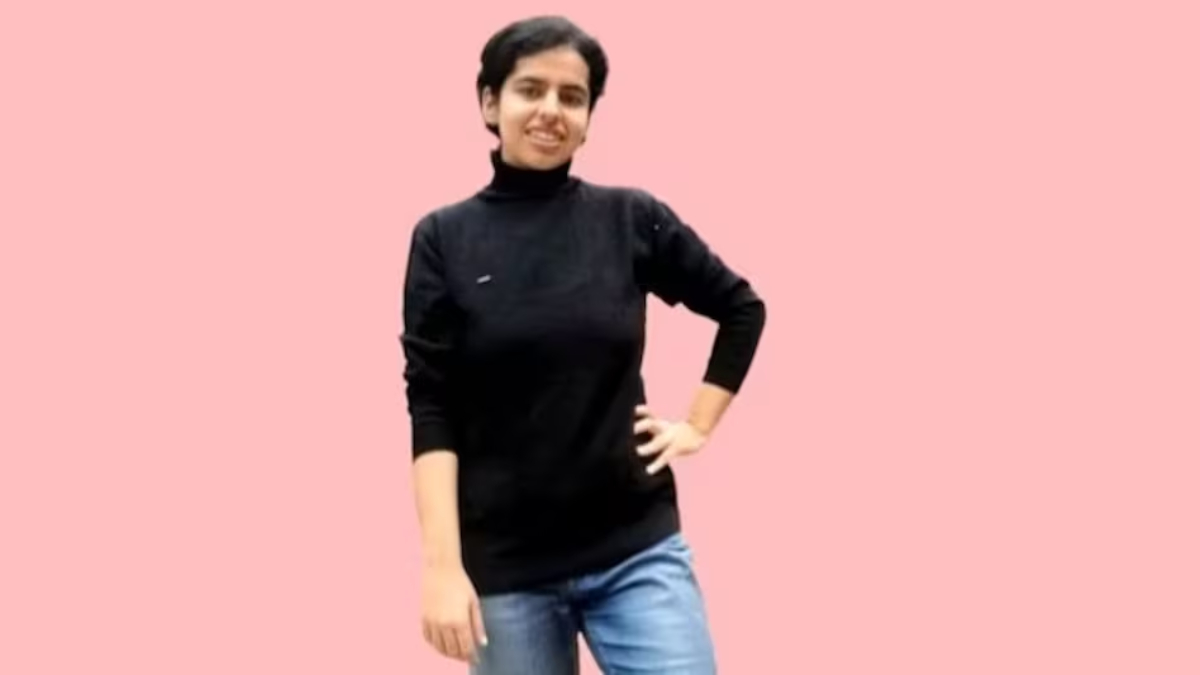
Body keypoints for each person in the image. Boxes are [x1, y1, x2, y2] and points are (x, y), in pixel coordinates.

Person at [400, 15, 766, 674]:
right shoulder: (443, 239)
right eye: (530, 89)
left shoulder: (630, 218)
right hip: (505, 572)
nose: (551, 110)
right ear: (490, 103)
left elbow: (740, 308)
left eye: (572, 97)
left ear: (589, 118)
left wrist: (696, 426)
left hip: (636, 551)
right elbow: (432, 408)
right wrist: (441, 568)